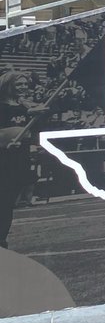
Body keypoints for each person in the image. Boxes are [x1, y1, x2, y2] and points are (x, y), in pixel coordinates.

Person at [0, 71, 43, 249]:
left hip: (19, 158)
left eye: (25, 84)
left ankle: (2, 240)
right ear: (8, 86)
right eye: (19, 84)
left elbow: (31, 132)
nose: (24, 87)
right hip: (3, 156)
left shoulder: (26, 107)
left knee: (8, 202)